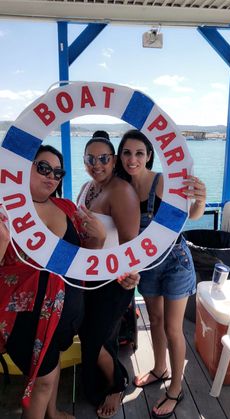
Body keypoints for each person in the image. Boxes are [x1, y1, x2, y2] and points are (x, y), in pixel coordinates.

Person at [0, 144, 106, 419]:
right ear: (24, 169)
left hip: (65, 313)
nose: (51, 176)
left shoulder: (66, 207)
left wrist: (99, 239)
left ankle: (54, 412)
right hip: (26, 319)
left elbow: (87, 263)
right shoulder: (4, 213)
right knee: (43, 381)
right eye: (43, 168)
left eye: (58, 172)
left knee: (53, 364)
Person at [115, 129, 206, 419]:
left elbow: (190, 215)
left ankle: (176, 389)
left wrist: (201, 199)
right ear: (120, 156)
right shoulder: (121, 187)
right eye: (127, 153)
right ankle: (159, 368)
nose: (132, 159)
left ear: (149, 155)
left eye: (139, 153)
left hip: (175, 261)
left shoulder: (162, 182)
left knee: (172, 328)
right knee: (153, 319)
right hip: (147, 265)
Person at [76, 132, 140, 418]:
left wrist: (130, 274)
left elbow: (132, 245)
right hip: (86, 277)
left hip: (113, 281)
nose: (97, 164)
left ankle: (117, 384)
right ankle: (100, 381)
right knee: (90, 333)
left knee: (97, 337)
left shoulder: (121, 191)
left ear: (113, 161)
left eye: (103, 158)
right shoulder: (86, 187)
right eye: (91, 158)